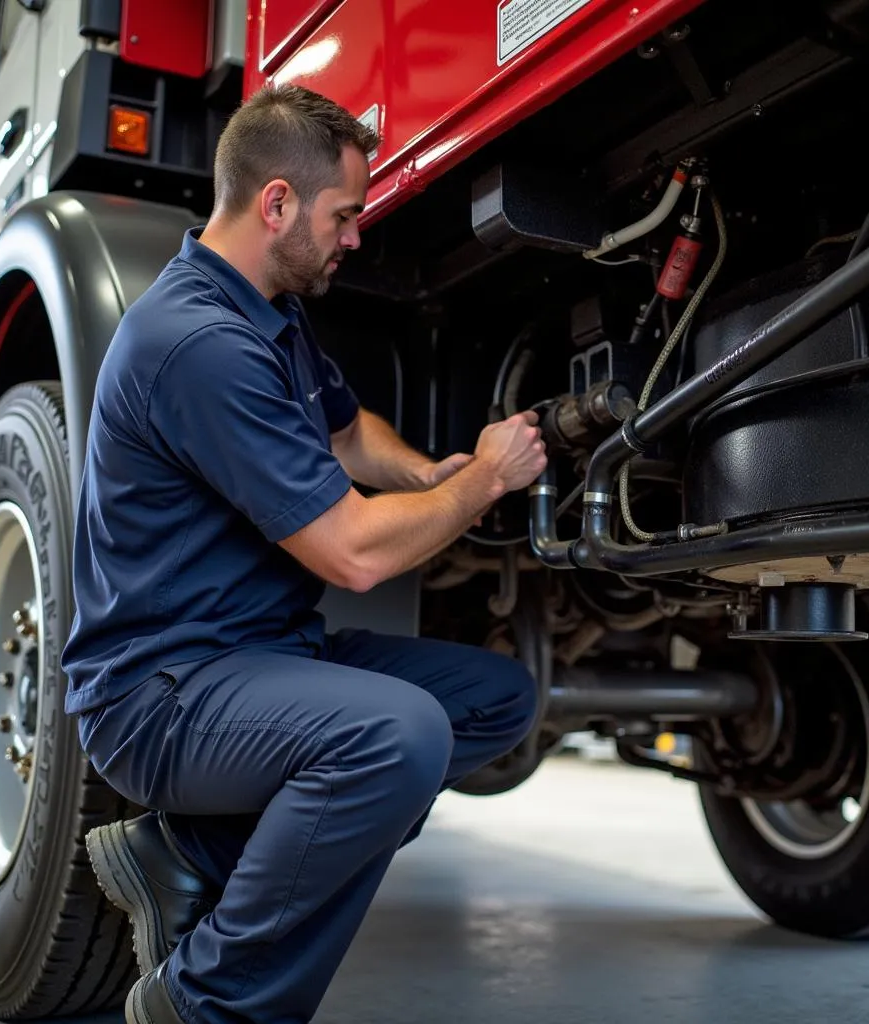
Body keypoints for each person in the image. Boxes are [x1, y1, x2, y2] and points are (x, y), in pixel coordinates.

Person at [62, 82, 547, 1024]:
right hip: (159, 691)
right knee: (395, 737)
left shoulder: (265, 310)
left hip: (258, 656)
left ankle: (189, 857)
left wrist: (424, 473)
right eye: (345, 215)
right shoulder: (197, 341)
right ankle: (206, 1003)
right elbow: (354, 556)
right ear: (275, 202)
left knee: (495, 700)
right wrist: (482, 482)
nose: (356, 237)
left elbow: (344, 431)